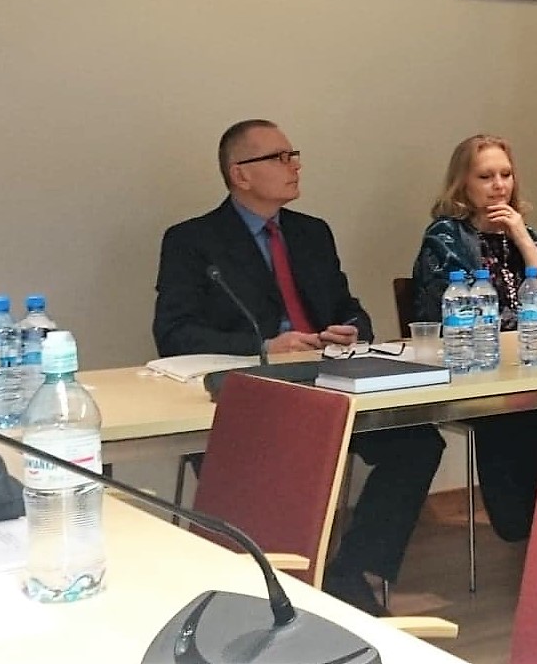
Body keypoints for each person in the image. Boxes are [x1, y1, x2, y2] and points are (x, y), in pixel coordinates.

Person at [152, 119, 442, 615]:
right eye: (279, 157)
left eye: (294, 155)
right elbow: (174, 333)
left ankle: (351, 571)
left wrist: (349, 330)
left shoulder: (311, 233)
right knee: (268, 466)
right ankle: (268, 589)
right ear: (240, 174)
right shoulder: (192, 240)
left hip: (329, 381)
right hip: (255, 393)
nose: (295, 166)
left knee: (416, 443)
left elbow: (349, 308)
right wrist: (264, 346)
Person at [410, 134, 537, 541]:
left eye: (505, 175)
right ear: (463, 184)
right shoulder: (445, 238)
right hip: (478, 374)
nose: (499, 186)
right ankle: (531, 529)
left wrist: (524, 241)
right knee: (526, 415)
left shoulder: (527, 233)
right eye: (485, 176)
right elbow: (465, 316)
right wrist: (527, 319)